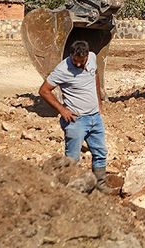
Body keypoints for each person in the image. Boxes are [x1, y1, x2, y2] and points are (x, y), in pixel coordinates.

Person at [38, 40, 108, 189]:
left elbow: (95, 76)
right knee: (72, 159)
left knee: (100, 153)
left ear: (87, 56)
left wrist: (99, 102)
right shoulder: (63, 69)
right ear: (71, 55)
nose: (77, 65)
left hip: (95, 117)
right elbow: (44, 90)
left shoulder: (93, 58)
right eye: (75, 61)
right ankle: (69, 191)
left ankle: (100, 187)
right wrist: (62, 110)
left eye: (81, 62)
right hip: (76, 120)